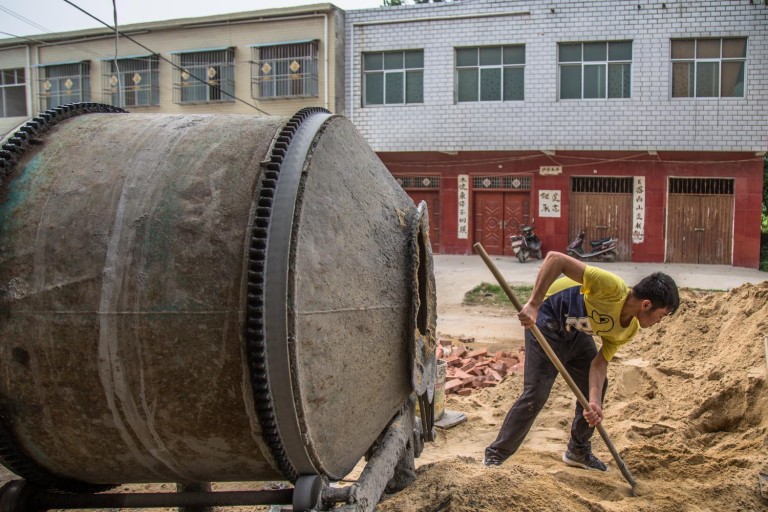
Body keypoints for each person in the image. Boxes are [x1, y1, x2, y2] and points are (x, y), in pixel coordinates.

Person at [483, 251, 679, 471]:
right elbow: (555, 259)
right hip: (547, 318)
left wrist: (593, 402)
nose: (658, 322)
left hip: (576, 332)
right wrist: (534, 304)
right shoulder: (611, 288)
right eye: (660, 316)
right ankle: (495, 455)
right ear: (646, 305)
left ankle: (578, 451)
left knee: (595, 387)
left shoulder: (627, 330)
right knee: (536, 394)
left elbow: (599, 363)